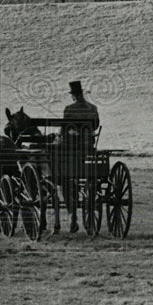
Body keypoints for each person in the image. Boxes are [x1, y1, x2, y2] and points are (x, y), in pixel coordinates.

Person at [60, 80, 99, 231]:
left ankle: (71, 214)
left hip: (71, 151)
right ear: (82, 93)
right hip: (88, 149)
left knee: (64, 181)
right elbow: (95, 126)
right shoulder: (93, 108)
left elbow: (64, 131)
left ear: (73, 96)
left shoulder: (69, 109)